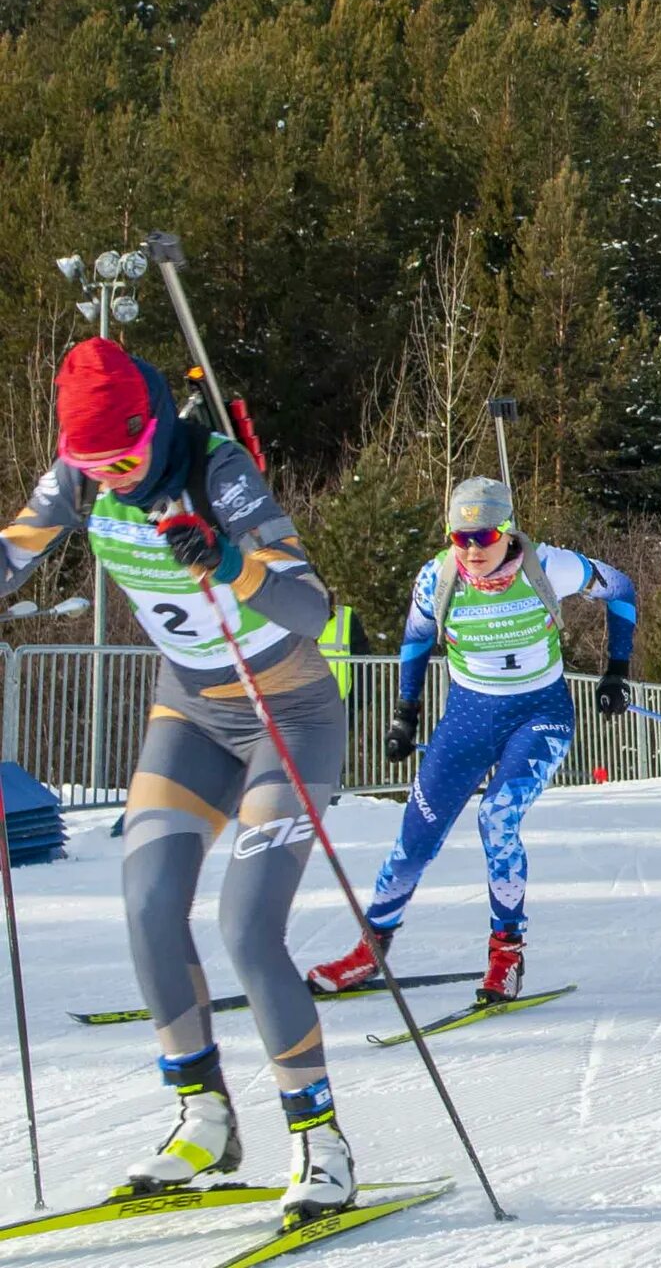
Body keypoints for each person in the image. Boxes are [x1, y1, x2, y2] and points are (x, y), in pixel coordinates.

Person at [0, 339, 358, 1219]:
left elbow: (313, 605)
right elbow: (13, 547)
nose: (113, 479)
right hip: (192, 711)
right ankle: (204, 1116)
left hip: (289, 714)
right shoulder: (78, 479)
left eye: (124, 458)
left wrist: (230, 560)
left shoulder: (216, 468)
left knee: (246, 925)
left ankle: (321, 1140)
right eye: (93, 465)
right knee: (149, 898)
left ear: (153, 426)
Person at [307, 477, 636, 1006]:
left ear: (507, 531)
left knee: (497, 817)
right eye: (460, 538)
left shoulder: (550, 566)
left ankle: (507, 953)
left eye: (483, 537)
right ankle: (370, 951)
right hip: (466, 716)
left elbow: (619, 587)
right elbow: (415, 639)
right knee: (415, 838)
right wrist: (405, 713)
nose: (472, 550)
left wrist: (617, 668)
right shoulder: (436, 578)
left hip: (539, 714)